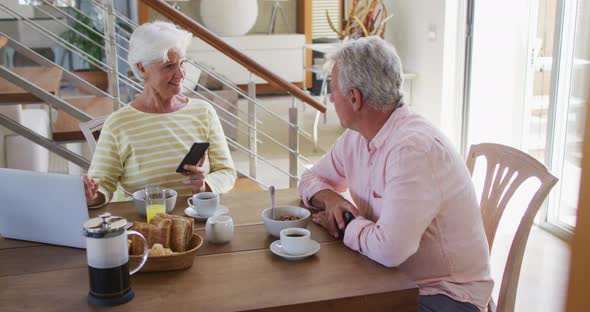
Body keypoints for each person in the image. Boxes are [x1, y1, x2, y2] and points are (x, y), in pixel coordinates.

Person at [298, 37, 493, 312]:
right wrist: (330, 199)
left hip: (444, 296)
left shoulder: (413, 150)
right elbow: (308, 179)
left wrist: (346, 226)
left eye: (332, 89)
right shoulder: (356, 138)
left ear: (355, 98)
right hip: (390, 278)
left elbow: (390, 250)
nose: (330, 97)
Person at [84, 21, 236, 207]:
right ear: (142, 69)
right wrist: (92, 196)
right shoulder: (118, 123)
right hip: (145, 222)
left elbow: (226, 171)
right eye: (169, 66)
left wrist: (204, 186)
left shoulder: (203, 112)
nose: (180, 74)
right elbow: (102, 184)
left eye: (182, 63)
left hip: (197, 216)